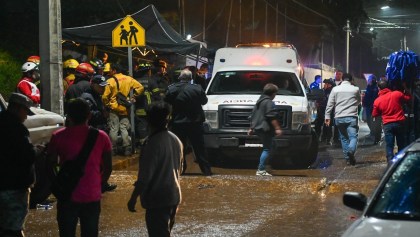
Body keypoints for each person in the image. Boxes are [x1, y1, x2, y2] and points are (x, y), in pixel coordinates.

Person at [46, 98, 113, 237]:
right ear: (89, 115)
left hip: (67, 194)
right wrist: (100, 184)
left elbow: (49, 165)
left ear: (68, 116)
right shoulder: (101, 136)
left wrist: (57, 185)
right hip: (92, 195)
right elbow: (108, 167)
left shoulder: (58, 136)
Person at [127, 101, 182, 237]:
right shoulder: (176, 140)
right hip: (174, 195)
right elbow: (180, 168)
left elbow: (144, 177)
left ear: (149, 120)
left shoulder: (151, 144)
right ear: (167, 120)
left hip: (158, 199)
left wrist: (133, 198)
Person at [0, 93, 40, 237]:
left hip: (4, 184)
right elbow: (26, 155)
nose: (26, 116)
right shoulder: (17, 129)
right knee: (13, 229)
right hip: (14, 188)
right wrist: (36, 150)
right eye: (25, 112)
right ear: (17, 108)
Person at [165, 69, 212, 176]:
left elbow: (167, 101)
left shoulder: (171, 89)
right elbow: (204, 101)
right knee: (199, 147)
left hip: (178, 123)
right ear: (191, 78)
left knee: (179, 147)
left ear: (179, 77)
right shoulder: (197, 88)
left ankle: (180, 170)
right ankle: (206, 171)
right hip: (195, 123)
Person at [103, 63, 144, 156]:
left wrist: (107, 104)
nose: (109, 71)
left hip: (114, 108)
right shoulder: (128, 79)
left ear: (114, 70)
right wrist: (134, 97)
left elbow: (104, 97)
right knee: (124, 128)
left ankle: (113, 149)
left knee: (113, 129)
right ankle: (127, 148)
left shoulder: (110, 81)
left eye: (110, 70)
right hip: (125, 107)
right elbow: (140, 87)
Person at [325, 73, 361, 166]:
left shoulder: (335, 89)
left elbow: (330, 104)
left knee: (344, 138)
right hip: (351, 116)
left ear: (342, 78)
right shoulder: (355, 89)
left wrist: (327, 116)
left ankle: (348, 159)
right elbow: (358, 101)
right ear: (351, 79)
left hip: (339, 117)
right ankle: (351, 151)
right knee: (353, 137)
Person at [372, 79, 411, 163]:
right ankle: (401, 160)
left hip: (387, 124)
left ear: (379, 88)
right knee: (401, 143)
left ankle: (390, 162)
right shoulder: (397, 94)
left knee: (389, 145)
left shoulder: (377, 101)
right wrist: (405, 87)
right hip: (400, 122)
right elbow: (408, 98)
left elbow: (374, 114)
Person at [248, 83, 282, 176]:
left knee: (273, 146)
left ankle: (266, 165)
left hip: (258, 128)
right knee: (267, 148)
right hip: (265, 128)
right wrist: (277, 128)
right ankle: (261, 169)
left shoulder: (259, 101)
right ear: (273, 93)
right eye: (275, 93)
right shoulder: (268, 102)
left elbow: (253, 115)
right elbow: (271, 116)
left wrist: (251, 128)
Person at [315, 79, 334, 144]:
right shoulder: (323, 91)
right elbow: (318, 99)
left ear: (329, 85)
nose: (324, 85)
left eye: (326, 84)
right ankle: (318, 138)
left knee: (327, 125)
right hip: (321, 110)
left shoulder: (332, 92)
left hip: (328, 111)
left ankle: (327, 139)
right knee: (318, 124)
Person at [362, 75, 380, 143]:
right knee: (369, 120)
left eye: (369, 79)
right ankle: (372, 133)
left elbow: (373, 98)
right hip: (368, 106)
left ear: (372, 80)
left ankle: (374, 135)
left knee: (372, 121)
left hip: (371, 107)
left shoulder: (375, 88)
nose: (368, 80)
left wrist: (370, 105)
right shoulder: (369, 87)